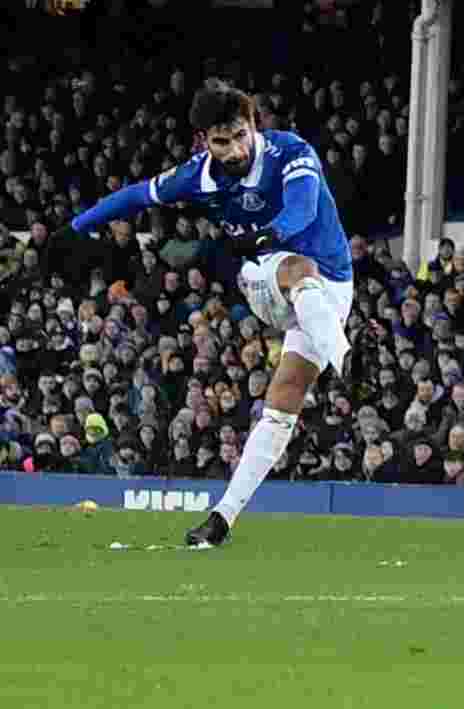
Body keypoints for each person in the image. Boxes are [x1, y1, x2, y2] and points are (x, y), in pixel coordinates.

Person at [53, 81, 356, 548]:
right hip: (271, 279)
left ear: (254, 124)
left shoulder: (290, 153)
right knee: (298, 268)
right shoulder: (198, 176)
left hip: (333, 291)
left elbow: (302, 209)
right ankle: (351, 364)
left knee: (282, 407)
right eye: (221, 141)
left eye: (240, 135)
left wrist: (264, 235)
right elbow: (137, 195)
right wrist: (76, 227)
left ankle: (220, 521)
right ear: (203, 141)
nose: (234, 148)